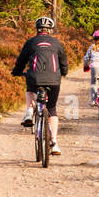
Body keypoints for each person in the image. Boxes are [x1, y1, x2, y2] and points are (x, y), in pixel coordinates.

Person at [11, 15, 68, 155]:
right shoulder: (56, 43)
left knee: (30, 87)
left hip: (35, 79)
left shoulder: (31, 42)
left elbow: (21, 60)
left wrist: (17, 72)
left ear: (37, 29)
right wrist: (64, 73)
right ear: (50, 30)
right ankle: (54, 143)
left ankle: (29, 112)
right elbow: (64, 62)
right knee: (52, 109)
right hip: (54, 80)